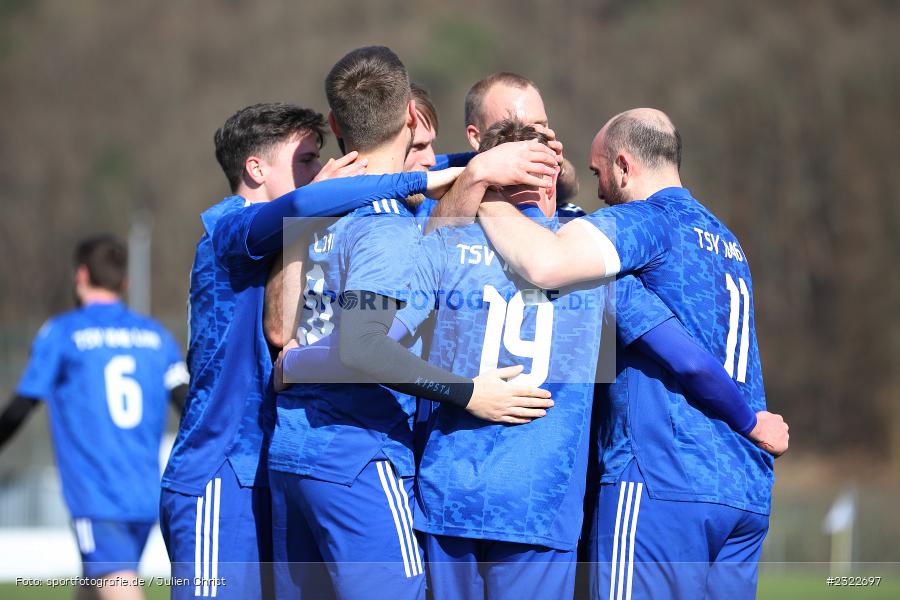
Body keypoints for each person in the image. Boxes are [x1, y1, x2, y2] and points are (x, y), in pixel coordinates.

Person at [266, 46, 560, 600]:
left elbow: (282, 330)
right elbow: (362, 346)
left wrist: (299, 364)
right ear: (410, 116)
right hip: (358, 452)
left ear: (334, 125)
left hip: (290, 453)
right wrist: (468, 392)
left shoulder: (318, 214)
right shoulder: (386, 229)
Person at [474, 108, 788, 598]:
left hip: (666, 476)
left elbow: (544, 262)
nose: (598, 192)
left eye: (599, 174)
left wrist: (485, 197)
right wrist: (751, 424)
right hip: (744, 486)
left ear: (623, 165)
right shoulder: (726, 240)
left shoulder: (647, 223)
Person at [158, 101, 467, 599]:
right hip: (219, 470)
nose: (322, 172)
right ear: (256, 169)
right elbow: (304, 205)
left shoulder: (299, 227)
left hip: (269, 463)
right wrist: (411, 181)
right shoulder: (231, 225)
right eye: (305, 162)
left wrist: (461, 155)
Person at [0, 235, 188, 600]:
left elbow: (22, 406)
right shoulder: (156, 337)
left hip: (98, 496)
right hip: (145, 495)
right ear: (125, 283)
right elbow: (189, 405)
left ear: (81, 274)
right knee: (92, 585)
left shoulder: (63, 333)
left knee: (118, 588)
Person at [427, 71, 582, 230]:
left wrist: (558, 170)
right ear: (476, 137)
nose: (530, 139)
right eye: (512, 128)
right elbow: (434, 239)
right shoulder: (432, 191)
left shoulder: (573, 219)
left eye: (541, 125)